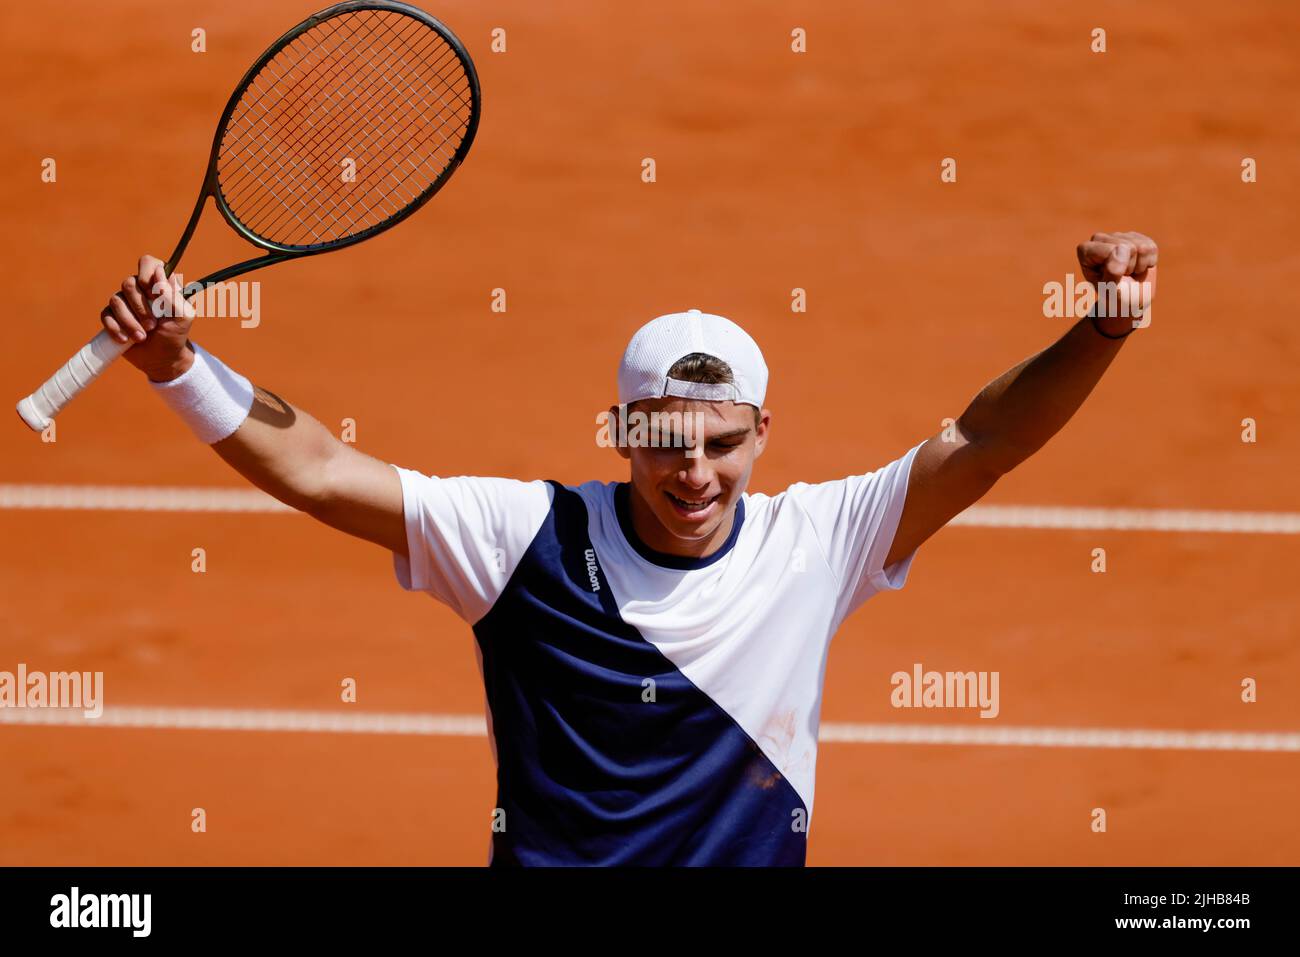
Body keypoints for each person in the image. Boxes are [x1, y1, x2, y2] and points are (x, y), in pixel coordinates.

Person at [99, 231, 1158, 865]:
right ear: (618, 434)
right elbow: (322, 470)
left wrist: (1101, 329)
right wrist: (181, 366)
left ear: (761, 436)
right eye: (660, 439)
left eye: (721, 442)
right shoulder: (522, 540)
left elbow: (983, 441)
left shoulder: (812, 545)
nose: (692, 470)